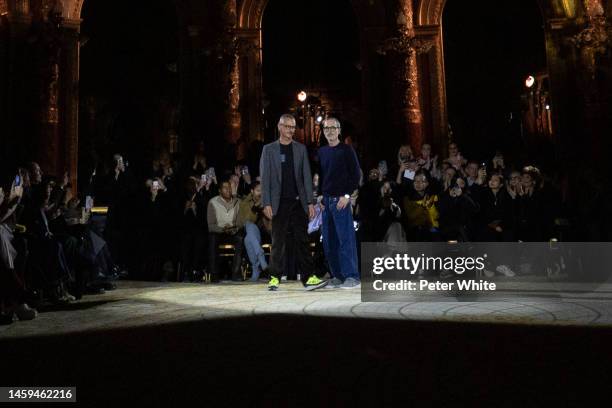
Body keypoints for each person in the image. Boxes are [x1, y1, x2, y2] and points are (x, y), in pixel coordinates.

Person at [259, 114, 328, 291]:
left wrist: (310, 202)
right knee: (278, 241)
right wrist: (266, 202)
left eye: (293, 127)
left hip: (298, 202)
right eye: (287, 126)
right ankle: (274, 277)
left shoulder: (300, 149)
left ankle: (309, 277)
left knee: (303, 240)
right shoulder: (269, 149)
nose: (290, 130)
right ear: (279, 127)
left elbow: (306, 177)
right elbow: (265, 178)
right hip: (278, 202)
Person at [318, 117, 361, 289]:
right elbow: (321, 176)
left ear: (339, 130)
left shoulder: (347, 150)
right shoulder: (321, 151)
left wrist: (347, 195)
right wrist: (320, 196)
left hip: (341, 201)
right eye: (326, 128)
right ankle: (337, 275)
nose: (329, 131)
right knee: (329, 241)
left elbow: (355, 175)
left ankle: (352, 276)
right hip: (326, 202)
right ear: (323, 131)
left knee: (346, 240)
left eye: (333, 128)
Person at [207, 180, 244, 282]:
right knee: (212, 238)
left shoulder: (238, 202)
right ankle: (214, 274)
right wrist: (223, 229)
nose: (228, 190)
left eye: (229, 187)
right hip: (219, 232)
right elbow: (211, 226)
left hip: (232, 232)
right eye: (225, 187)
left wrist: (234, 228)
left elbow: (240, 222)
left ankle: (236, 273)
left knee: (240, 238)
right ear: (220, 190)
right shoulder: (213, 202)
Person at [237, 181, 271, 282]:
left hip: (266, 233)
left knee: (248, 239)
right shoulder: (244, 203)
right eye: (257, 190)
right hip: (252, 231)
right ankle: (261, 261)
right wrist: (255, 208)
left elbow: (271, 220)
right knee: (249, 228)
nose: (260, 193)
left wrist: (264, 207)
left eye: (262, 191)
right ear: (252, 191)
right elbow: (245, 221)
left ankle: (256, 267)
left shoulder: (268, 202)